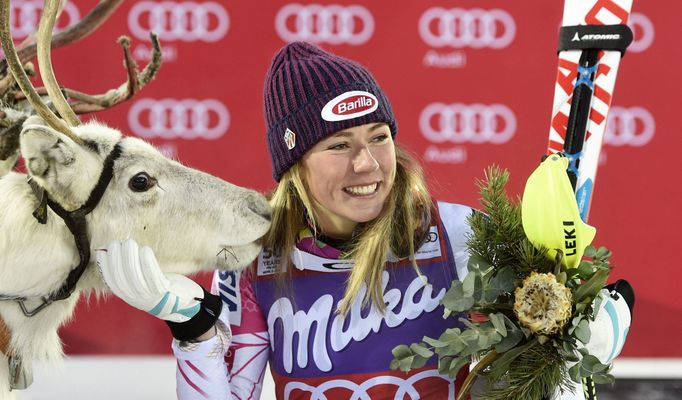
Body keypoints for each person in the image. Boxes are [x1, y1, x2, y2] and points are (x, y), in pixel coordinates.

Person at [96, 42, 633, 400]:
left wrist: (583, 338)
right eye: (339, 145)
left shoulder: (460, 235)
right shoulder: (258, 259)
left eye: (379, 137)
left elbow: (535, 367)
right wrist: (194, 332)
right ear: (294, 166)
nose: (368, 164)